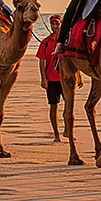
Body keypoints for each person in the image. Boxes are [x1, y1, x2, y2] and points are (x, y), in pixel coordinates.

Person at [36, 14, 64, 143]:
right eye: (52, 24)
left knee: (69, 106)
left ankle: (68, 130)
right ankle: (56, 133)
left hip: (65, 78)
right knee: (53, 106)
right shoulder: (46, 42)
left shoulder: (64, 41)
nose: (54, 27)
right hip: (51, 78)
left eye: (57, 24)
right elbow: (42, 61)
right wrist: (43, 78)